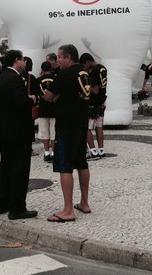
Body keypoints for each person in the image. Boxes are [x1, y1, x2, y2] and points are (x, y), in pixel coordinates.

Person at [44, 44, 91, 222]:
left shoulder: (65, 74)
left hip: (66, 125)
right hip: (81, 123)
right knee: (82, 163)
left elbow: (48, 96)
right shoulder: (84, 73)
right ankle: (84, 203)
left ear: (68, 57)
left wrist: (58, 97)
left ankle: (68, 210)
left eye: (60, 57)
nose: (58, 61)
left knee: (65, 166)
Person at [0, 49, 38, 220]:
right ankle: (17, 208)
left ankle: (2, 203)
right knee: (19, 168)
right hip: (18, 131)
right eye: (23, 60)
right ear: (16, 60)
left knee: (5, 166)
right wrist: (32, 99)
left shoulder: (1, 77)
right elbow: (22, 103)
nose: (25, 63)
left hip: (4, 129)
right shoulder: (15, 78)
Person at [79, 52, 107, 159]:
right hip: (101, 101)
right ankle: (101, 150)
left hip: (92, 103)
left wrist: (86, 87)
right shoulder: (102, 68)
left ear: (87, 62)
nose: (84, 67)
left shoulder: (93, 71)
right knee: (99, 126)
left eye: (84, 65)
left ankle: (93, 151)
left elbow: (95, 90)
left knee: (88, 127)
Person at [36, 61, 57, 163]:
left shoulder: (38, 80)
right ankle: (53, 152)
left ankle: (46, 153)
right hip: (54, 108)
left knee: (44, 131)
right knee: (54, 131)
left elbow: (37, 94)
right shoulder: (56, 78)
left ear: (42, 69)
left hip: (43, 108)